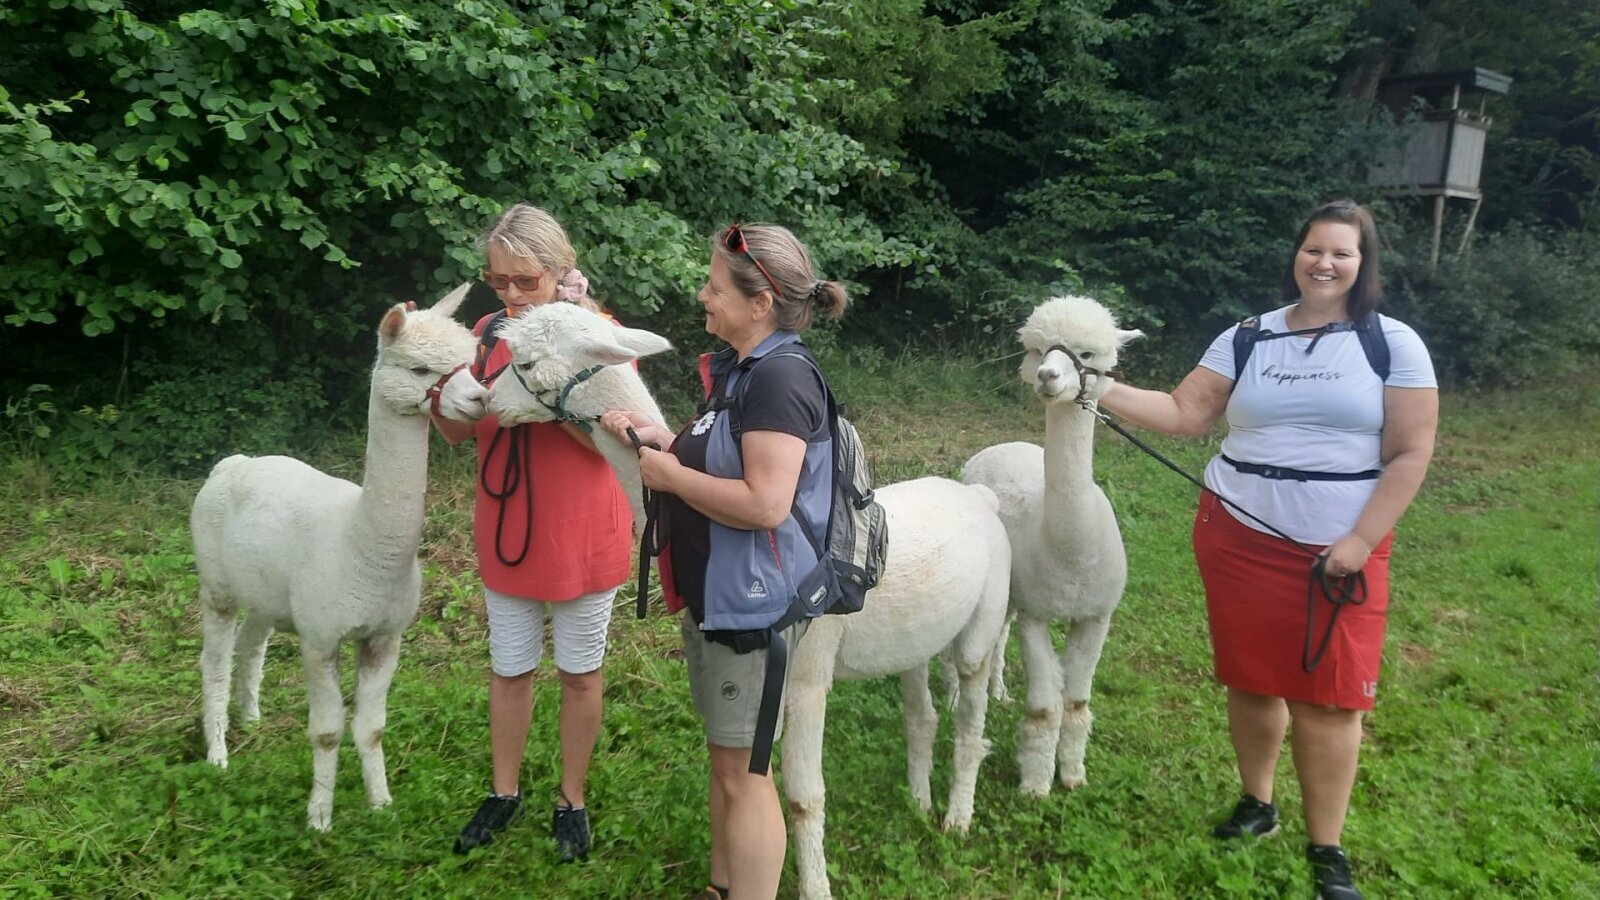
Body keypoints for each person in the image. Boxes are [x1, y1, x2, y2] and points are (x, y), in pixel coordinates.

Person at [1097, 199, 1437, 900]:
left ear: (1363, 263)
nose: (1326, 262)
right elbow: (1187, 413)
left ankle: (1328, 850)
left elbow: (1409, 453)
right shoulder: (1248, 336)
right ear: (1296, 255)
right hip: (1238, 535)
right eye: (1315, 249)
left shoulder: (1392, 343)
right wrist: (1096, 386)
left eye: (1342, 252)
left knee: (1331, 700)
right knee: (1250, 677)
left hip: (1341, 550)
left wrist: (1360, 540)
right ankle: (1258, 802)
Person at [600, 223, 846, 900]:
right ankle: (722, 886)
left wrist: (670, 478)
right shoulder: (741, 372)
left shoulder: (778, 379)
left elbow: (766, 502)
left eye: (714, 285)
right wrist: (661, 440)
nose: (703, 295)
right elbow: (727, 455)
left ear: (759, 301)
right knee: (728, 761)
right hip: (722, 594)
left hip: (754, 606)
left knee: (747, 774)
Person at [433, 203, 634, 862]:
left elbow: (617, 436)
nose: (514, 297)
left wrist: (547, 405)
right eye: (500, 283)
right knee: (508, 667)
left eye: (528, 282)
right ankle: (504, 790)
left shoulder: (596, 332)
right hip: (507, 522)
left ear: (559, 272)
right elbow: (459, 432)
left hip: (580, 528)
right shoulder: (486, 332)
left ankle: (570, 798)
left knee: (579, 672)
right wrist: (444, 397)